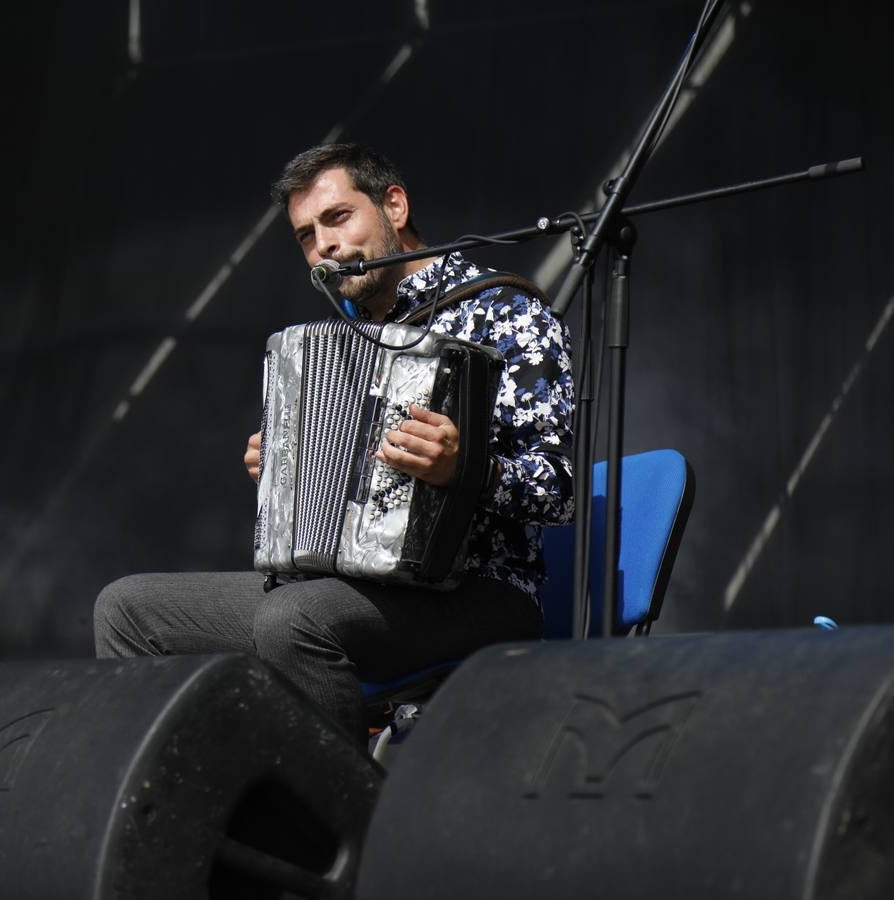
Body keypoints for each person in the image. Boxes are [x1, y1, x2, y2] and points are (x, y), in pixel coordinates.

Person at [94, 143, 575, 739]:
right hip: (348, 590)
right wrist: (282, 472)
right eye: (305, 235)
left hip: (482, 591)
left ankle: (336, 823)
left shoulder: (503, 310)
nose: (323, 245)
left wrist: (463, 469)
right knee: (127, 608)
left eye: (337, 217)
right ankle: (186, 811)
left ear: (393, 206)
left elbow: (558, 489)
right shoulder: (341, 340)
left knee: (293, 618)